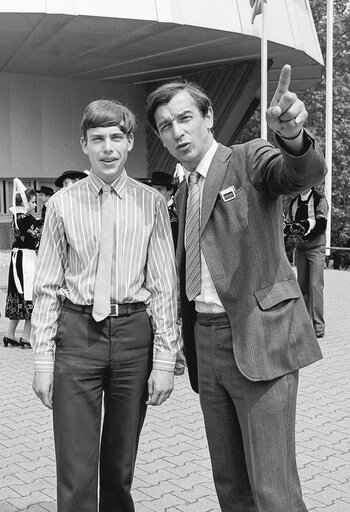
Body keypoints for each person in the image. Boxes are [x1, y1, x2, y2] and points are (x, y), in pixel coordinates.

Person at [146, 64, 327, 512]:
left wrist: (293, 136)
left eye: (185, 118)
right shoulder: (184, 189)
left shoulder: (247, 159)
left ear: (208, 118)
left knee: (273, 490)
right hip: (206, 345)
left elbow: (298, 174)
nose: (177, 132)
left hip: (258, 338)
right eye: (166, 126)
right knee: (230, 487)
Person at [31, 99, 181, 512]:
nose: (108, 148)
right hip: (77, 334)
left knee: (119, 467)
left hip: (135, 336)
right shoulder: (62, 205)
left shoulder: (151, 202)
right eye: (98, 139)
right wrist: (43, 362)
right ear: (84, 144)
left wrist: (166, 360)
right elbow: (45, 286)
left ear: (130, 142)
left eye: (117, 137)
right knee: (76, 470)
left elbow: (164, 285)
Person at [3, 180, 42, 348]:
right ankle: (26, 337)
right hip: (26, 260)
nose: (34, 205)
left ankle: (9, 334)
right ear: (25, 202)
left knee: (17, 295)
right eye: (33, 202)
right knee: (30, 295)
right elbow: (38, 235)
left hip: (17, 260)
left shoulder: (16, 217)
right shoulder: (26, 219)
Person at [288, 187, 328, 338]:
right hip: (301, 249)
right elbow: (292, 225)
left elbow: (322, 223)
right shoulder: (293, 203)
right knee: (302, 286)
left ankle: (319, 327)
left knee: (315, 286)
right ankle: (303, 325)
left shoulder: (319, 199)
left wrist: (306, 233)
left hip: (316, 248)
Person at [151, 171, 179, 248]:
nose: (155, 193)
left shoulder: (178, 211)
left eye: (159, 189)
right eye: (153, 189)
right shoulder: (148, 210)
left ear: (170, 190)